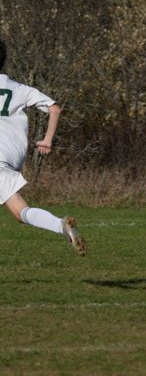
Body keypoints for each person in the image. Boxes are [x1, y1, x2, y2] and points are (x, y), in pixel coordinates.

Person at [0, 39, 86, 255]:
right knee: (20, 213)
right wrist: (47, 140)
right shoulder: (20, 89)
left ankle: (59, 225)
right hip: (11, 156)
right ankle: (60, 225)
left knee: (20, 212)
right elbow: (54, 109)